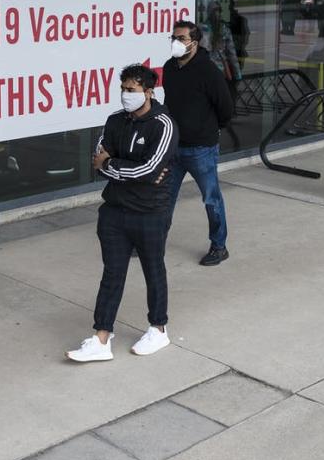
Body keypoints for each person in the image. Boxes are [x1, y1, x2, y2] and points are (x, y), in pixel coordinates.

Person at [66, 65, 176, 362]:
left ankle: (158, 328)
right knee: (112, 273)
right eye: (124, 89)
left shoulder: (163, 124)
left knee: (154, 270)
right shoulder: (115, 120)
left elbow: (150, 168)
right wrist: (120, 167)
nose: (127, 95)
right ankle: (101, 338)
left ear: (149, 92)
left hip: (150, 212)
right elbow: (98, 158)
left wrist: (111, 165)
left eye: (133, 90)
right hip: (114, 211)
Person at [163, 20, 234, 266]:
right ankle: (152, 241)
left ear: (195, 42)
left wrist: (209, 130)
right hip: (174, 147)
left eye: (181, 38)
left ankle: (219, 246)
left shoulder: (208, 71)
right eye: (173, 37)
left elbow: (226, 107)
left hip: (201, 148)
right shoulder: (169, 68)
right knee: (163, 198)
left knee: (211, 199)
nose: (176, 42)